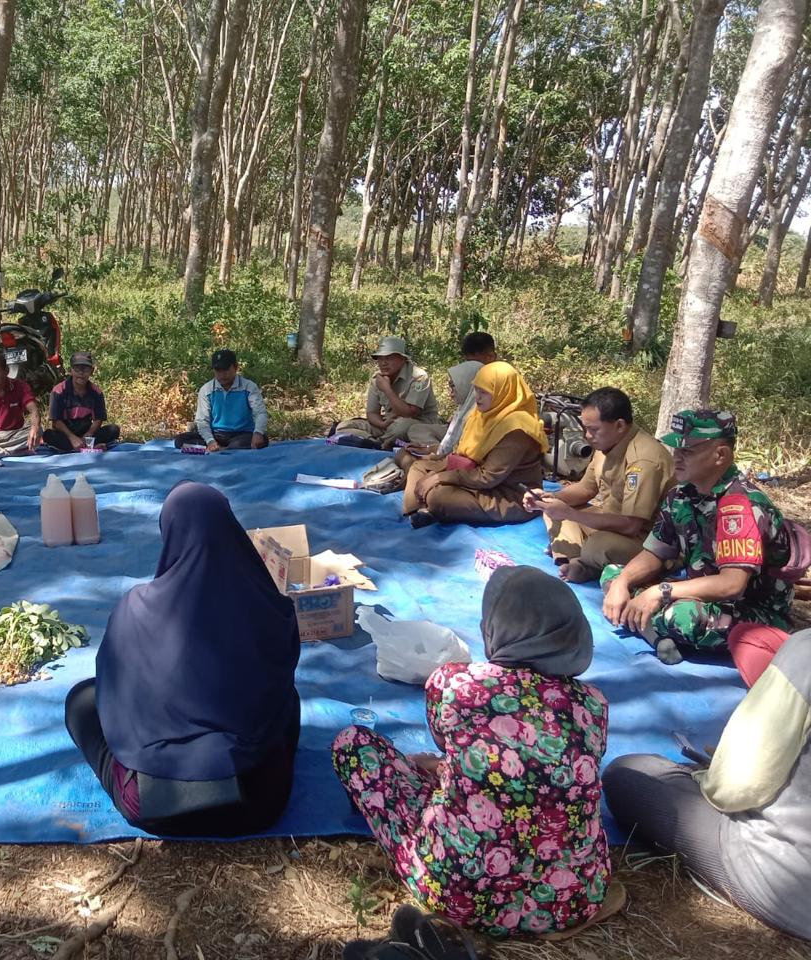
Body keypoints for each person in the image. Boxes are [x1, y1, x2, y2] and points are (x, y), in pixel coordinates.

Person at [332, 567, 614, 938]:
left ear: (491, 629)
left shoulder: (453, 684)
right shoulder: (591, 705)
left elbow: (454, 746)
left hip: (460, 894)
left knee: (353, 745)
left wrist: (443, 769)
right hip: (572, 898)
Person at [65, 481, 299, 836]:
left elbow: (112, 689)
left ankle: (146, 773)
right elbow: (281, 678)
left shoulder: (135, 607)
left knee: (83, 700)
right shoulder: (270, 606)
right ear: (233, 532)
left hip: (155, 806)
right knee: (288, 701)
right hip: (258, 802)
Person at [603, 628, 811, 940]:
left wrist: (709, 773)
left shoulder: (805, 653)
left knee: (628, 773)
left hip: (782, 876)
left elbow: (733, 788)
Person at [601, 409, 794, 666]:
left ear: (720, 455)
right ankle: (653, 631)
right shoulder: (681, 495)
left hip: (753, 611)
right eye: (675, 449)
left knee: (681, 617)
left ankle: (652, 628)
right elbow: (654, 553)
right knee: (613, 575)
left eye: (687, 451)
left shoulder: (739, 505)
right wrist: (623, 582)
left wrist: (662, 591)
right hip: (699, 594)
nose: (677, 458)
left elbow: (732, 585)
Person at [524, 388, 674, 583]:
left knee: (598, 545)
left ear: (619, 425)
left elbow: (631, 525)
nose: (587, 436)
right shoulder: (607, 444)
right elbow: (586, 489)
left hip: (646, 540)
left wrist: (571, 514)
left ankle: (585, 561)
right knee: (552, 509)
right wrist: (547, 498)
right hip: (610, 522)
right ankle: (575, 560)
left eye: (593, 429)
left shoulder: (643, 461)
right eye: (585, 428)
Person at [402, 361, 547, 527]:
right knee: (419, 468)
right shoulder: (482, 415)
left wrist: (439, 477)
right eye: (476, 390)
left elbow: (487, 477)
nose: (477, 397)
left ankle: (429, 508)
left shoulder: (517, 429)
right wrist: (435, 464)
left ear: (502, 392)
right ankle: (418, 511)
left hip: (508, 495)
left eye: (484, 392)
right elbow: (462, 452)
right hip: (473, 477)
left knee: (439, 496)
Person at [331, 337, 441, 447]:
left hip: (416, 424)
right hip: (388, 425)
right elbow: (372, 413)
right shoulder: (377, 379)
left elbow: (409, 413)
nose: (383, 363)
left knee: (401, 427)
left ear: (402, 359)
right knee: (343, 426)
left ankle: (377, 442)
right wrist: (382, 424)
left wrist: (387, 389)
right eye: (380, 359)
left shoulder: (418, 377)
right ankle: (373, 442)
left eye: (389, 358)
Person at [174, 349, 269, 451]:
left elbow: (260, 413)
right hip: (217, 434)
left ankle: (217, 449)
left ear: (236, 367)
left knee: (259, 440)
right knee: (180, 440)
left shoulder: (249, 387)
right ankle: (219, 448)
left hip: (243, 434)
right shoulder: (206, 390)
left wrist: (258, 433)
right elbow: (202, 420)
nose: (222, 374)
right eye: (218, 370)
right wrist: (210, 440)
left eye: (226, 369)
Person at [43, 352, 121, 453]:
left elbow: (98, 419)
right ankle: (89, 448)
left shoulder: (96, 392)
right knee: (48, 435)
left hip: (86, 431)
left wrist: (88, 435)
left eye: (85, 369)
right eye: (77, 369)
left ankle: (84, 447)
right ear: (70, 370)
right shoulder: (58, 391)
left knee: (114, 430)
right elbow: (56, 421)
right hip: (66, 433)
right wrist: (72, 438)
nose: (81, 373)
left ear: (91, 371)